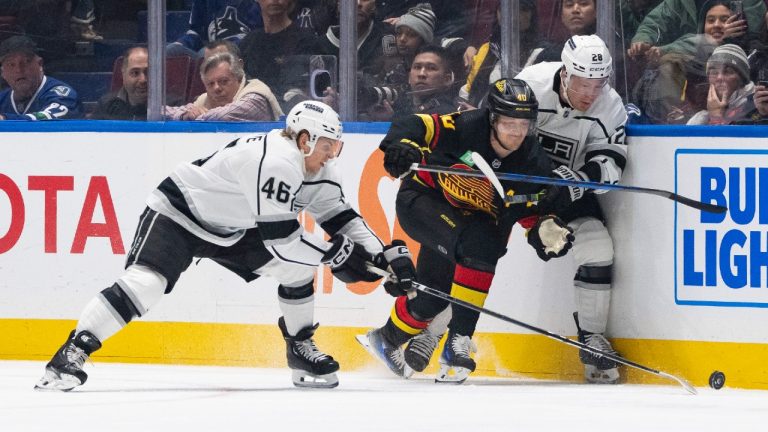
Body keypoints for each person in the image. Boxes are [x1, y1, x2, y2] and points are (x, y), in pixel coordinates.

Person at [34, 100, 417, 391]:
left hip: (237, 225)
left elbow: (341, 217)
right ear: (305, 140)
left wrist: (384, 255)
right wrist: (336, 256)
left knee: (298, 268)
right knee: (146, 285)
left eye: (336, 147)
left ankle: (299, 348)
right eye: (328, 146)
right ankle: (71, 352)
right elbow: (282, 239)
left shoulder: (318, 166)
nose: (332, 155)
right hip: (181, 212)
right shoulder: (277, 161)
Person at [359, 78, 575, 383]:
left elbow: (524, 209)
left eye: (523, 124)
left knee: (433, 297)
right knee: (482, 243)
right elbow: (413, 125)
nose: (516, 132)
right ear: (493, 118)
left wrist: (543, 229)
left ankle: (386, 339)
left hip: (462, 223)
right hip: (421, 202)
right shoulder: (465, 126)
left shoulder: (533, 161)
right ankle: (458, 341)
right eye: (509, 123)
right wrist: (402, 146)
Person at [515, 34, 628, 384]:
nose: (590, 94)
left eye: (599, 84)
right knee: (471, 247)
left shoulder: (610, 106)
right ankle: (419, 330)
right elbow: (497, 140)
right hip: (511, 186)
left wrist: (577, 180)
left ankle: (591, 341)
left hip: (563, 194)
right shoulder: (530, 85)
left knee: (597, 245)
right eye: (582, 84)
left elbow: (611, 163)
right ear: (565, 73)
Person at [164, 51, 283, 121]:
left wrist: (194, 115)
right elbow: (161, 111)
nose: (216, 88)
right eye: (210, 84)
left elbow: (224, 115)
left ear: (238, 78)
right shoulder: (205, 98)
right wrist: (184, 114)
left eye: (224, 81)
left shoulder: (256, 95)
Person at [0, 35, 83, 120]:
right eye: (11, 64)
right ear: (3, 72)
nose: (19, 69)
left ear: (40, 64)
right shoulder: (2, 98)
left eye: (26, 62)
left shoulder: (62, 94)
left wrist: (4, 119)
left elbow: (48, 118)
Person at [367, 44, 456, 121]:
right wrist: (387, 118)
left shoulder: (446, 115)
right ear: (409, 77)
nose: (421, 74)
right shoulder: (403, 107)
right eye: (417, 67)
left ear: (447, 79)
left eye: (431, 68)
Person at [687, 44, 759, 124]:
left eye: (728, 72)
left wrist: (716, 117)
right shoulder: (699, 116)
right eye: (714, 72)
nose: (719, 78)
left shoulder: (757, 107)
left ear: (742, 79)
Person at [166, 0, 263, 58]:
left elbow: (258, 36)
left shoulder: (256, 3)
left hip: (244, 53)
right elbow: (196, 33)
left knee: (205, 55)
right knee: (170, 51)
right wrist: (180, 43)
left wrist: (222, 48)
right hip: (210, 51)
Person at [92, 46, 148, 120]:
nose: (143, 80)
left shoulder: (164, 107)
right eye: (135, 73)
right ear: (123, 75)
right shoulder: (105, 105)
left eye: (148, 72)